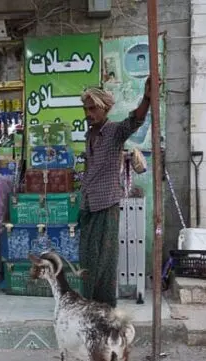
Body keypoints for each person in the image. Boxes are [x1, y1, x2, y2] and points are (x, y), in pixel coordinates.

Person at [78, 77, 152, 307]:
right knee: (87, 258)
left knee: (105, 259)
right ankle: (88, 302)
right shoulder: (90, 135)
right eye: (86, 109)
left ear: (105, 109)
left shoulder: (114, 132)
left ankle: (105, 305)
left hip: (106, 203)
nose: (88, 113)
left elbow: (134, 120)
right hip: (89, 204)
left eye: (93, 109)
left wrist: (147, 98)